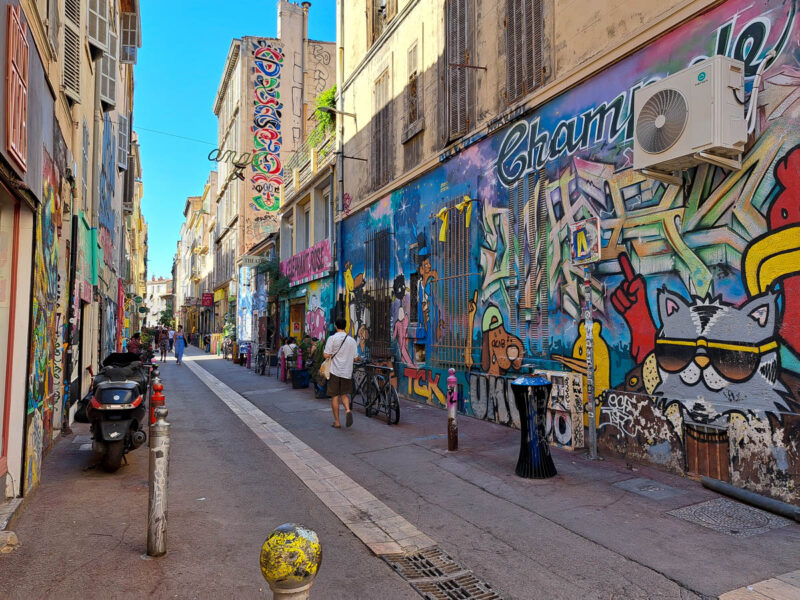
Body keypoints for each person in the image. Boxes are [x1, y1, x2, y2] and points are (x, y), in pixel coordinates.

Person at [324, 317, 358, 428]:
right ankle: (348, 410)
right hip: (347, 372)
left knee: (334, 396)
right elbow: (355, 358)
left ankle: (337, 422)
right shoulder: (352, 340)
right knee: (344, 394)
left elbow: (326, 355)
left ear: (335, 326)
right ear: (345, 326)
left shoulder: (332, 338)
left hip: (334, 371)